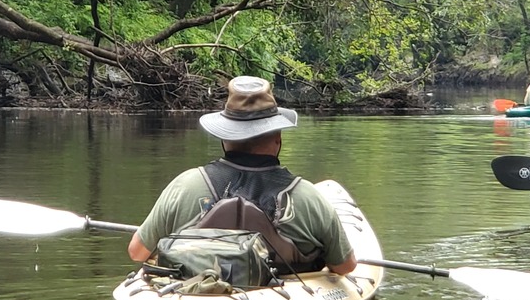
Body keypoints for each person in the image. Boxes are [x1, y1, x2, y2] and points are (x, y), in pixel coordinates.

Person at [127, 75, 358, 275]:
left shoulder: (185, 185)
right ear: (278, 138)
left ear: (224, 138)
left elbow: (137, 252)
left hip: (194, 297)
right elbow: (345, 266)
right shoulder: (308, 197)